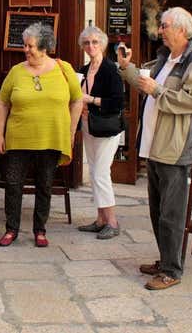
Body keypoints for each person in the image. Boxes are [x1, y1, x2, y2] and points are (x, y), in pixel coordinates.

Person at [117, 7, 192, 291]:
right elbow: (147, 85)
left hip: (176, 148)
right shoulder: (166, 58)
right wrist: (126, 67)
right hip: (155, 145)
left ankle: (171, 270)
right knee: (158, 211)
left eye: (165, 25)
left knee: (172, 213)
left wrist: (157, 90)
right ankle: (166, 259)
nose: (160, 31)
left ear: (181, 30)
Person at [0, 22, 83, 248]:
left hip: (51, 137)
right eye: (24, 45)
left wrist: (71, 131)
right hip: (18, 138)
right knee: (13, 184)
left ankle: (39, 229)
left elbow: (77, 100)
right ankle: (11, 228)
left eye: (30, 46)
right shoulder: (16, 72)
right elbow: (2, 102)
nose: (26, 50)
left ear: (44, 48)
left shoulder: (64, 69)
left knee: (44, 184)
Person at [76, 25, 124, 240]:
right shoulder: (83, 71)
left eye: (95, 42)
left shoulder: (111, 70)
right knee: (95, 170)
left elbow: (117, 102)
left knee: (101, 172)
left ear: (103, 44)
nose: (91, 46)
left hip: (107, 127)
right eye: (87, 43)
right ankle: (100, 220)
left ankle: (112, 222)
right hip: (89, 125)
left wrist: (90, 100)